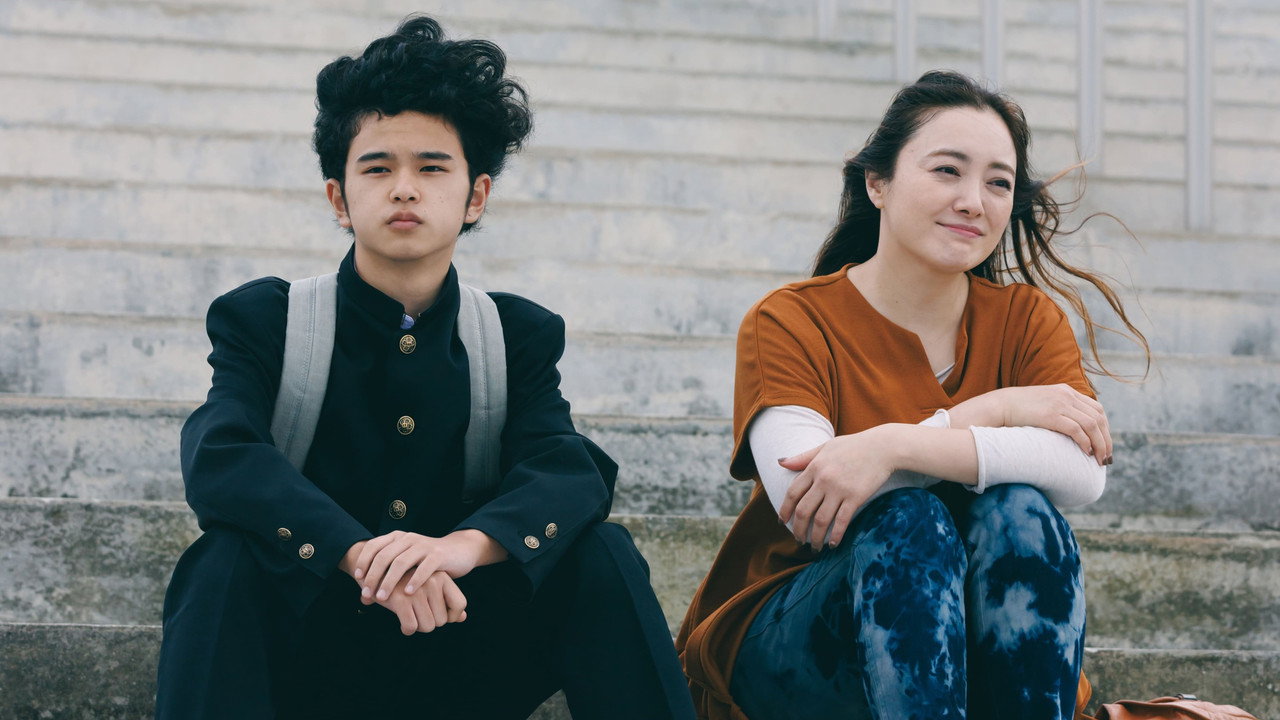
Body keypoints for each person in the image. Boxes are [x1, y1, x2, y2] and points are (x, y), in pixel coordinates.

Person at [156, 16, 695, 719]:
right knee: (220, 561)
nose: (404, 189)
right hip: (310, 659)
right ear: (338, 199)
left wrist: (461, 549)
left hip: (459, 648)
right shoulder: (266, 320)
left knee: (603, 554)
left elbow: (569, 471)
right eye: (377, 168)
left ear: (476, 196)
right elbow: (221, 457)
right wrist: (360, 555)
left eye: (432, 168)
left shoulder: (517, 335)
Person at [677, 71, 1150, 719]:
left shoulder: (1025, 320)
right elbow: (807, 498)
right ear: (878, 183)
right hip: (797, 632)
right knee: (908, 520)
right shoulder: (789, 320)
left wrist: (892, 447)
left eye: (998, 183)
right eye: (947, 170)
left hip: (976, 638)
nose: (973, 201)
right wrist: (993, 412)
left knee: (1017, 511)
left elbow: (1081, 470)